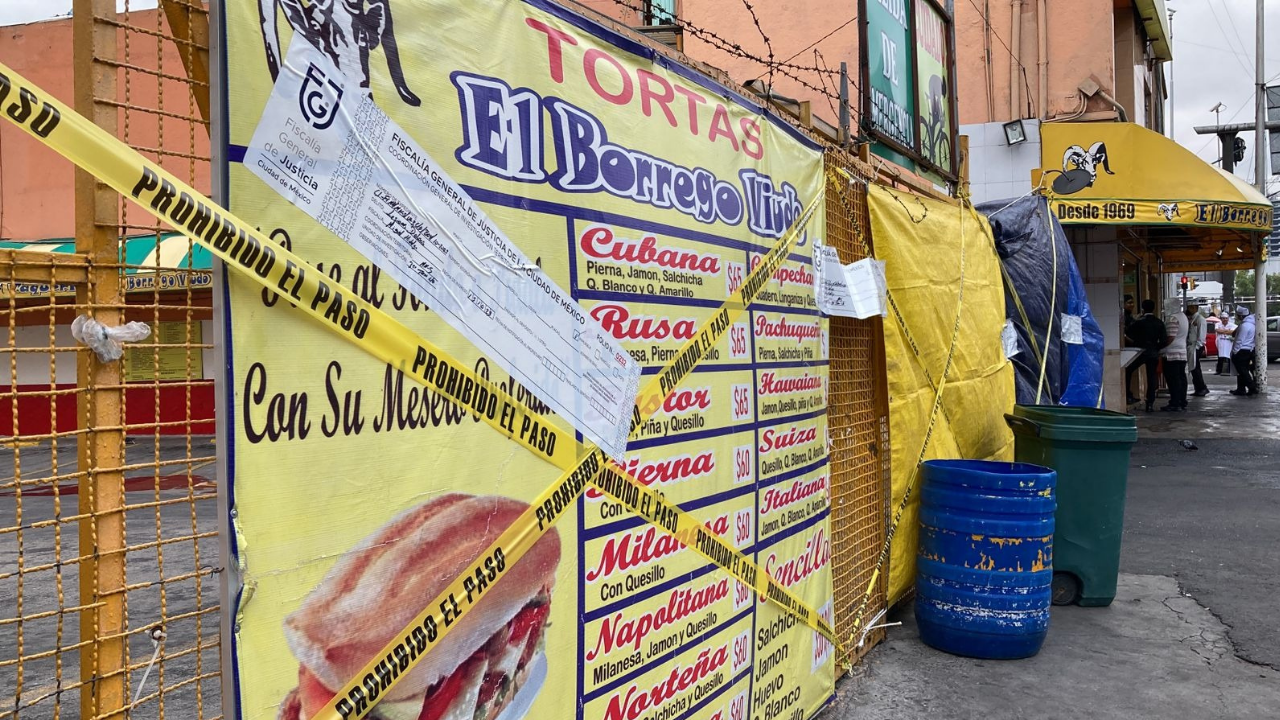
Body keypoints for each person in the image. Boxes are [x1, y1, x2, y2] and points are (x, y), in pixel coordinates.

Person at [1127, 300, 1169, 412]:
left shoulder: (1139, 322)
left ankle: (1128, 395)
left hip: (1139, 352)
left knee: (1128, 369)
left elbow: (1128, 333)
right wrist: (1156, 347)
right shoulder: (1159, 322)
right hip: (1153, 353)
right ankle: (1150, 403)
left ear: (1142, 309)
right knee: (1152, 377)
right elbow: (1164, 340)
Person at [1162, 305, 1190, 411]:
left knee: (1173, 380)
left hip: (1171, 354)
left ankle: (1175, 402)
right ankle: (1182, 401)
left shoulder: (1173, 318)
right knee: (1181, 378)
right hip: (1182, 352)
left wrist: (1160, 347)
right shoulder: (1183, 316)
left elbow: (1170, 337)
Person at [1231, 306, 1258, 396]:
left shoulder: (1245, 326)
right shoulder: (1251, 324)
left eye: (1238, 315)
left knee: (1243, 371)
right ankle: (1241, 389)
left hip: (1241, 351)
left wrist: (1235, 352)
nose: (1237, 317)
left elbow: (1239, 340)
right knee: (1243, 371)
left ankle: (1251, 387)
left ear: (1241, 316)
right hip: (1248, 350)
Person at [1187, 303, 1209, 397]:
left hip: (1196, 346)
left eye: (1190, 308)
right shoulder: (1192, 319)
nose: (1189, 309)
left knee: (1195, 369)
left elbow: (1202, 335)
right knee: (1194, 368)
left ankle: (1202, 388)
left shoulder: (1200, 319)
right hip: (1191, 346)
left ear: (1195, 308)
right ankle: (1198, 388)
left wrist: (1198, 346)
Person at [1215, 310, 1237, 375]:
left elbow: (1232, 332)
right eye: (1223, 318)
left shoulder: (1232, 325)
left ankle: (1228, 370)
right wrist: (1227, 331)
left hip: (1228, 342)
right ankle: (1219, 370)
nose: (1225, 319)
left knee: (1228, 356)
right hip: (1220, 342)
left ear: (1228, 319)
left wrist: (1223, 331)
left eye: (1226, 318)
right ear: (1221, 319)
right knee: (1220, 356)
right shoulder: (1217, 324)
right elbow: (1217, 330)